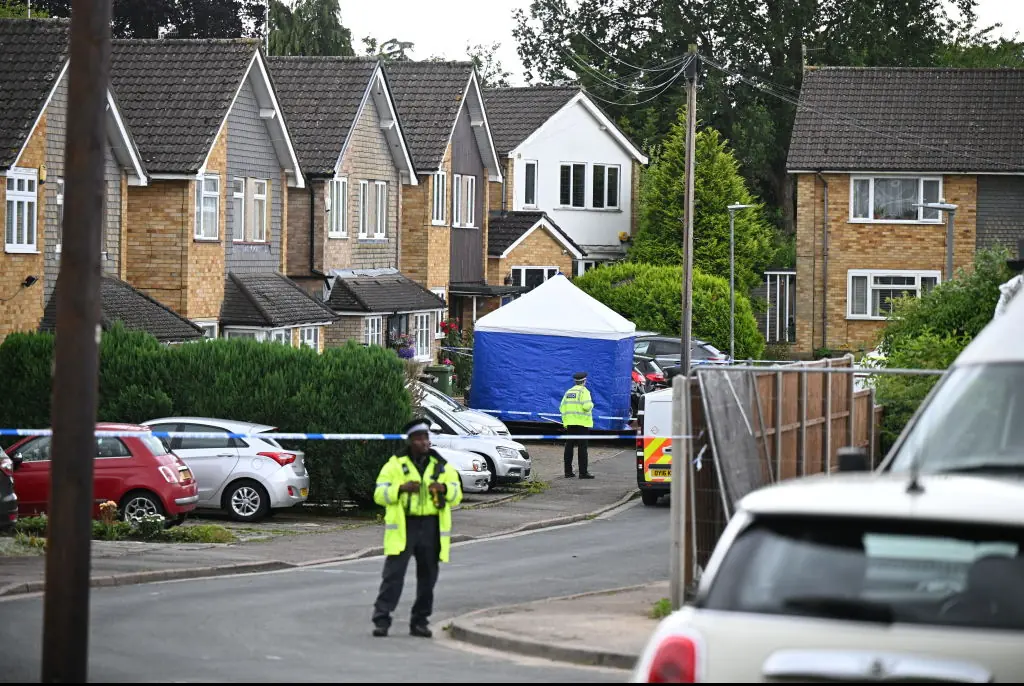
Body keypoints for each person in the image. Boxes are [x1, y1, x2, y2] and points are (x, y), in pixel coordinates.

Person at [371, 417, 463, 638]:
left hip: (431, 526)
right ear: (411, 441)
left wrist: (443, 489)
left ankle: (420, 621)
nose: (424, 443)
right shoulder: (394, 465)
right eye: (420, 438)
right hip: (405, 525)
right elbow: (378, 494)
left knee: (428, 577)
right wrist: (400, 488)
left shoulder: (441, 465)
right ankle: (381, 620)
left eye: (426, 438)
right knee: (393, 576)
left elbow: (457, 495)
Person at [560, 371, 595, 479]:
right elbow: (586, 407)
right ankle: (583, 473)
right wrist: (591, 404)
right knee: (582, 448)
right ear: (584, 381)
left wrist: (566, 421)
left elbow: (562, 407)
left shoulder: (568, 392)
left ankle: (568, 472)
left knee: (569, 447)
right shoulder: (584, 391)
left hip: (570, 424)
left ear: (575, 381)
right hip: (582, 424)